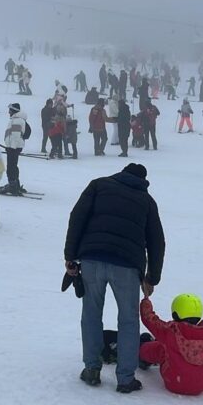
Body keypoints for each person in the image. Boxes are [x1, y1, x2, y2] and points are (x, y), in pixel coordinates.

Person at [64, 163, 165, 393]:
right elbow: (157, 241)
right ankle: (125, 379)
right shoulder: (146, 201)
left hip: (92, 259)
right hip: (127, 266)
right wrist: (152, 278)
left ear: (121, 173)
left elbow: (77, 218)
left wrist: (70, 257)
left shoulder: (98, 185)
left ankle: (91, 369)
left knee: (91, 314)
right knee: (128, 320)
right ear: (144, 182)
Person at [138, 294, 203, 396]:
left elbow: (149, 319)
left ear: (175, 314)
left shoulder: (171, 331)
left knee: (162, 348)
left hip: (173, 383)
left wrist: (146, 300)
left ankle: (141, 353)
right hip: (200, 386)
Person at [0, 103, 28, 194]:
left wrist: (11, 148)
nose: (9, 112)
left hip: (14, 147)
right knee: (13, 166)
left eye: (10, 110)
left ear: (14, 111)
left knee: (10, 167)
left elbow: (15, 136)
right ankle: (15, 184)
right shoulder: (16, 119)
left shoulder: (17, 120)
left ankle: (12, 185)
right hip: (14, 147)